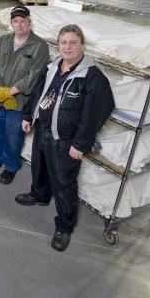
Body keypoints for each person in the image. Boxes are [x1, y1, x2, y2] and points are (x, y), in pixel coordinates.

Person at [15, 24, 115, 252]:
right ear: (58, 44)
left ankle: (64, 226)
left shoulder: (91, 76)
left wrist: (81, 143)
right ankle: (39, 195)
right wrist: (29, 115)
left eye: (73, 42)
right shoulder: (52, 67)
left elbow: (96, 113)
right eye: (63, 42)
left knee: (64, 183)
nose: (67, 47)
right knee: (39, 168)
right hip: (43, 130)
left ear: (82, 45)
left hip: (66, 140)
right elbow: (39, 93)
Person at [0, 4, 50, 185]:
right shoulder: (3, 41)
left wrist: (10, 92)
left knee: (13, 135)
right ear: (11, 23)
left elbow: (34, 74)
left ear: (29, 23)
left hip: (19, 101)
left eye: (23, 21)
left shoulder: (39, 46)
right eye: (15, 21)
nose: (19, 25)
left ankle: (10, 166)